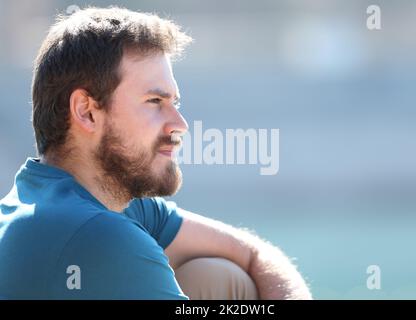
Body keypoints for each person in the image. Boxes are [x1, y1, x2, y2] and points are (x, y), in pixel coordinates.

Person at [0, 6, 311, 300]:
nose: (180, 125)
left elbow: (253, 252)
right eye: (154, 102)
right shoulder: (100, 236)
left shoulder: (85, 201)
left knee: (217, 275)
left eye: (174, 103)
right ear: (87, 112)